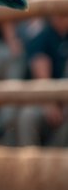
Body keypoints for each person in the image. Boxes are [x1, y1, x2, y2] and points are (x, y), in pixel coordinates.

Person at [13, 13, 68, 146]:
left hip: (63, 101)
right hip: (40, 98)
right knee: (28, 116)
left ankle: (56, 163)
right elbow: (41, 73)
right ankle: (29, 164)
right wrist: (49, 102)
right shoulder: (42, 36)